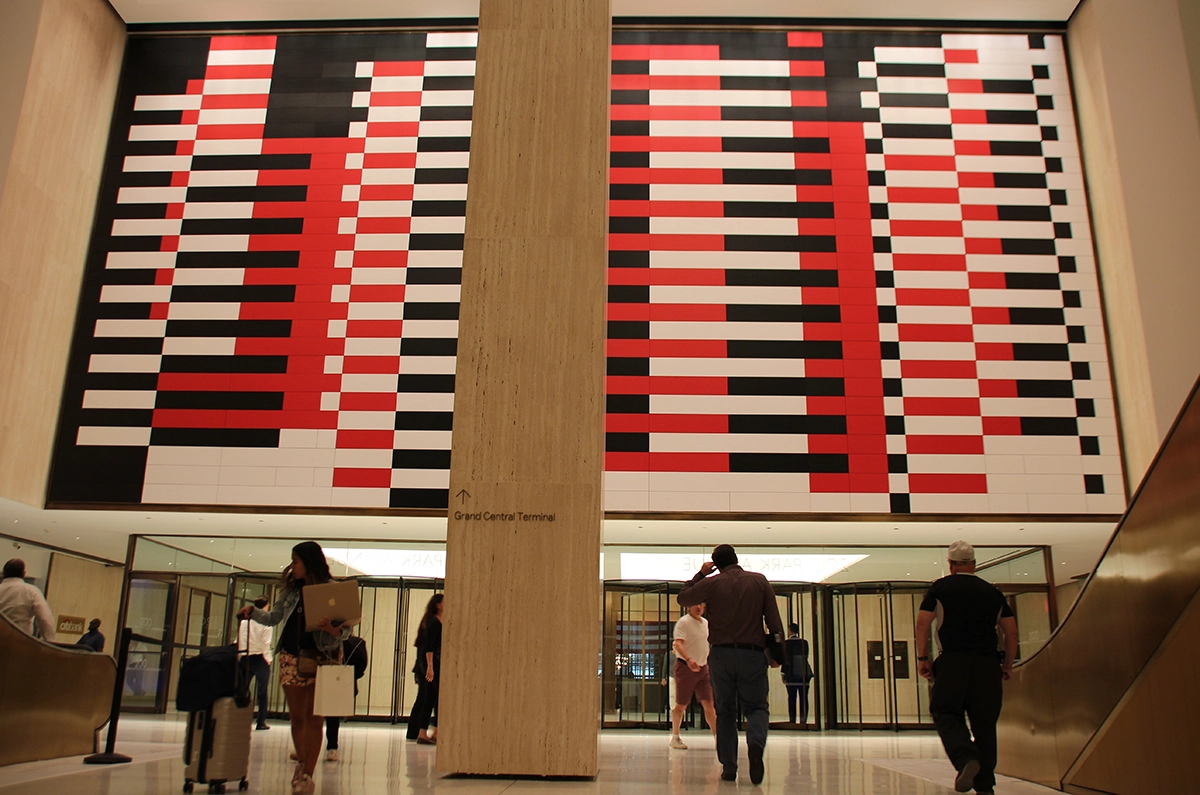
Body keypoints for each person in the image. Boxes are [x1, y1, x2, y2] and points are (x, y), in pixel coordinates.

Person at [238, 542, 350, 795]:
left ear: (308, 562)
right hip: (291, 656)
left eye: (296, 561)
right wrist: (253, 612)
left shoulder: (332, 590)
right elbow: (274, 617)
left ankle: (307, 775)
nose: (292, 566)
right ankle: (302, 764)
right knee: (298, 716)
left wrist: (334, 630)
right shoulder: (290, 591)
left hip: (324, 656)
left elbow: (347, 628)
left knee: (315, 717)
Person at [916, 541, 1018, 795]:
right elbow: (1011, 631)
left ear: (950, 564)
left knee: (945, 710)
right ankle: (985, 786)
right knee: (984, 723)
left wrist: (922, 658)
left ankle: (965, 759)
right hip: (987, 664)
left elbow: (922, 623)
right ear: (974, 564)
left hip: (953, 661)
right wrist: (1007, 663)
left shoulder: (940, 588)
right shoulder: (992, 592)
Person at [679, 545, 784, 785]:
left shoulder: (712, 583)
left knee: (725, 712)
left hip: (721, 655)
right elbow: (774, 621)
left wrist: (701, 574)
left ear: (716, 564)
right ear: (736, 559)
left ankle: (729, 767)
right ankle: (756, 743)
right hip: (753, 654)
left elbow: (683, 597)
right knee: (757, 707)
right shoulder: (759, 581)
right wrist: (778, 654)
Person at [669, 603, 717, 750]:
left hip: (703, 668)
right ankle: (675, 737)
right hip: (685, 667)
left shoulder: (706, 623)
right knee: (682, 704)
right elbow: (678, 644)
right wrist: (689, 659)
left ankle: (718, 738)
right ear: (689, 606)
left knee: (709, 703)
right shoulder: (683, 622)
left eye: (702, 605)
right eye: (696, 605)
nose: (699, 607)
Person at [323, 634, 368, 762]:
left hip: (335, 670)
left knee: (330, 711)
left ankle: (331, 746)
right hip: (335, 671)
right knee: (330, 712)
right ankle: (330, 747)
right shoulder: (354, 643)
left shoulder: (349, 642)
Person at [409, 593, 443, 745]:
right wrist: (430, 667)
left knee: (430, 697)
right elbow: (428, 646)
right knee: (431, 697)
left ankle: (428, 731)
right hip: (430, 664)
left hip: (432, 664)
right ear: (438, 605)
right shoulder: (434, 623)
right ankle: (426, 731)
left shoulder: (436, 621)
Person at [238, 596, 275, 730]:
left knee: (242, 689)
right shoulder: (266, 622)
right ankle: (260, 721)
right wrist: (268, 659)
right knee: (262, 692)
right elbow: (266, 643)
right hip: (260, 658)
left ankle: (239, 718)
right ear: (265, 606)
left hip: (245, 656)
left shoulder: (244, 622)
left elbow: (241, 638)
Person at [0, 559, 56, 642]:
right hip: (19, 642)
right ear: (24, 574)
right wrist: (50, 642)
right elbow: (45, 619)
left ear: (4, 573)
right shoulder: (31, 591)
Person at [780, 623, 813, 725]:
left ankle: (792, 720)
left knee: (792, 697)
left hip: (791, 673)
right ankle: (803, 720)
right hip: (803, 672)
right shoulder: (805, 642)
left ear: (789, 630)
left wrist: (783, 672)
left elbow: (785, 659)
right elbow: (805, 656)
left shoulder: (786, 643)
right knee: (804, 697)